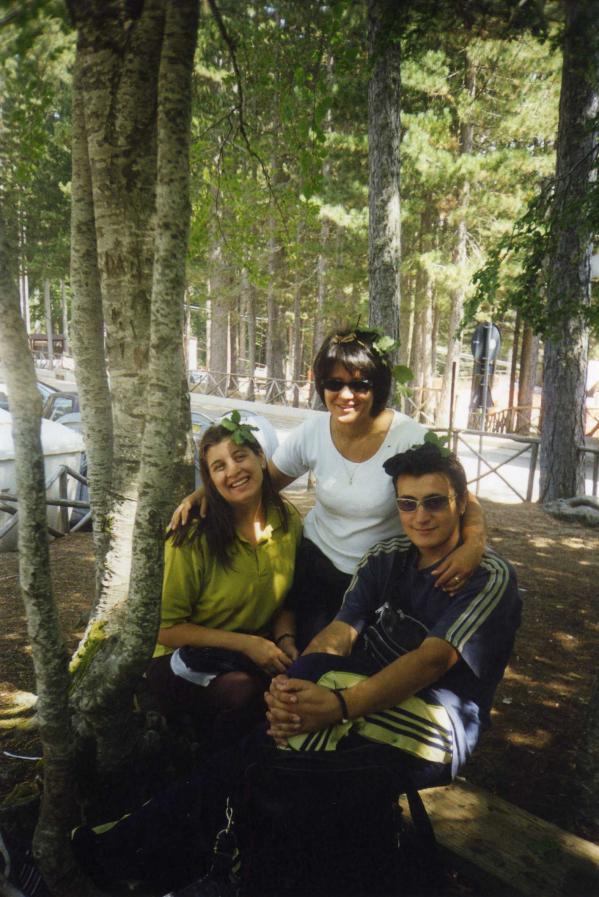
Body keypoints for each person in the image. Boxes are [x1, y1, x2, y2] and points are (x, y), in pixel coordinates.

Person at [171, 328, 487, 647]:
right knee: (309, 659)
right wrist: (206, 492)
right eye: (334, 384)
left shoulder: (408, 436)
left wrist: (473, 545)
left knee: (367, 661)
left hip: (380, 579)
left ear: (377, 386)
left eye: (359, 384)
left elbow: (462, 498)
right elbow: (262, 483)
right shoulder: (313, 432)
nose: (345, 395)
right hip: (316, 569)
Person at [265, 441, 521, 791]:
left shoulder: (488, 577)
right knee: (293, 736)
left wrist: (339, 705)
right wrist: (292, 686)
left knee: (288, 750)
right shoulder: (386, 556)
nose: (420, 516)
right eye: (407, 504)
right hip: (369, 693)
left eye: (434, 502)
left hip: (440, 723)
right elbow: (342, 629)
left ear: (462, 503)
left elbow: (432, 661)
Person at [146, 417, 302, 746]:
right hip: (181, 659)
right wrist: (248, 644)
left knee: (297, 688)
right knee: (245, 692)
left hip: (252, 649)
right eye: (219, 466)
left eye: (240, 456)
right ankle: (207, 765)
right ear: (210, 480)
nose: (233, 471)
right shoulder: (191, 536)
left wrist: (285, 639)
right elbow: (166, 628)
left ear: (261, 458)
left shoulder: (286, 520)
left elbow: (287, 598)